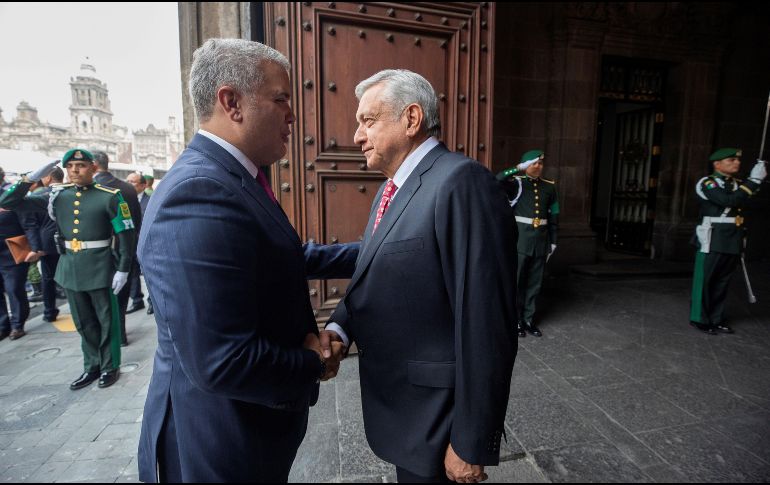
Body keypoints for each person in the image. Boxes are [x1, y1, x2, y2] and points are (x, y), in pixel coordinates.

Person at [136, 38, 350, 483]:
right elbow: (223, 361)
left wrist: (374, 250)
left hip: (248, 430)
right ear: (231, 102)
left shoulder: (235, 178)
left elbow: (281, 256)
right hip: (218, 445)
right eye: (281, 99)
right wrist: (314, 363)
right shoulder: (197, 192)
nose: (293, 115)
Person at [321, 69, 517, 483]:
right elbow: (376, 271)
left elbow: (488, 324)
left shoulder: (462, 183)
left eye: (368, 121)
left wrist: (470, 440)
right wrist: (340, 327)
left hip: (439, 422)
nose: (357, 135)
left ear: (411, 119)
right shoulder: (390, 189)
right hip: (405, 414)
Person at [0, 150, 134, 388]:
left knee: (106, 321)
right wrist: (30, 178)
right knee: (83, 322)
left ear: (93, 168)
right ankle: (91, 366)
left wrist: (123, 269)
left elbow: (125, 234)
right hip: (70, 267)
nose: (74, 170)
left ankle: (109, 366)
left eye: (80, 165)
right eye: (70, 166)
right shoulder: (56, 196)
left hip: (101, 266)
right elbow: (8, 202)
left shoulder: (109, 196)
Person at [690, 148, 766, 334]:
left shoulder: (738, 184)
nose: (736, 163)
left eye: (737, 160)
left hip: (733, 238)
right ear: (717, 164)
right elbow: (727, 201)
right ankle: (700, 319)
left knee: (722, 282)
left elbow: (752, 203)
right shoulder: (708, 183)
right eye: (731, 160)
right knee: (706, 281)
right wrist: (753, 181)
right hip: (713, 238)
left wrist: (756, 182)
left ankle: (716, 318)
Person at [496, 150, 559, 338]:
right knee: (516, 281)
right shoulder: (517, 184)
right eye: (533, 163)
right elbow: (497, 180)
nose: (538, 166)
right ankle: (515, 320)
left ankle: (529, 320)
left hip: (540, 241)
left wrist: (553, 241)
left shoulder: (550, 187)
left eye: (540, 163)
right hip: (520, 241)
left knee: (534, 283)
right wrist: (517, 169)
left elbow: (554, 216)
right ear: (525, 165)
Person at [92, 151, 140, 346]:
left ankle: (110, 337)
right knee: (121, 295)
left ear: (94, 165)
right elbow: (136, 221)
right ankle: (120, 333)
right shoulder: (127, 188)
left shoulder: (93, 190)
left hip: (99, 253)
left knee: (101, 300)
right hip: (125, 249)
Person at [12, 166, 65, 323]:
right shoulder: (71, 192)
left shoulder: (39, 195)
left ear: (47, 178)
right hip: (69, 241)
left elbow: (31, 224)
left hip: (47, 244)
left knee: (48, 278)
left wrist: (36, 248)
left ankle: (49, 312)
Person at [125, 172, 150, 314]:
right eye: (127, 181)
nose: (129, 184)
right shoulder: (124, 200)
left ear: (143, 185)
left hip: (145, 243)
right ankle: (137, 300)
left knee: (147, 273)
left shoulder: (150, 200)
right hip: (131, 243)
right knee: (133, 272)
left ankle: (152, 301)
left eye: (133, 182)